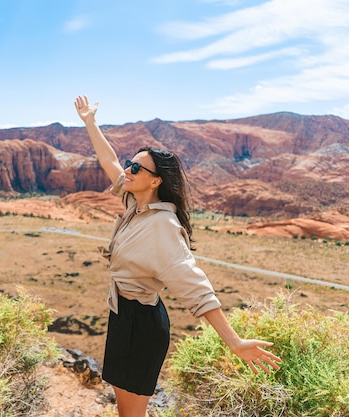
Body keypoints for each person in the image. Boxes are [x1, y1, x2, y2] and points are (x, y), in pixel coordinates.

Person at [74, 95, 281, 417]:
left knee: (132, 413)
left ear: (155, 181)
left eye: (136, 168)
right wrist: (90, 121)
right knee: (123, 405)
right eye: (131, 164)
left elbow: (194, 285)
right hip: (123, 315)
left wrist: (235, 342)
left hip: (141, 324)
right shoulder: (135, 207)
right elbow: (109, 162)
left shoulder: (162, 225)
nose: (127, 170)